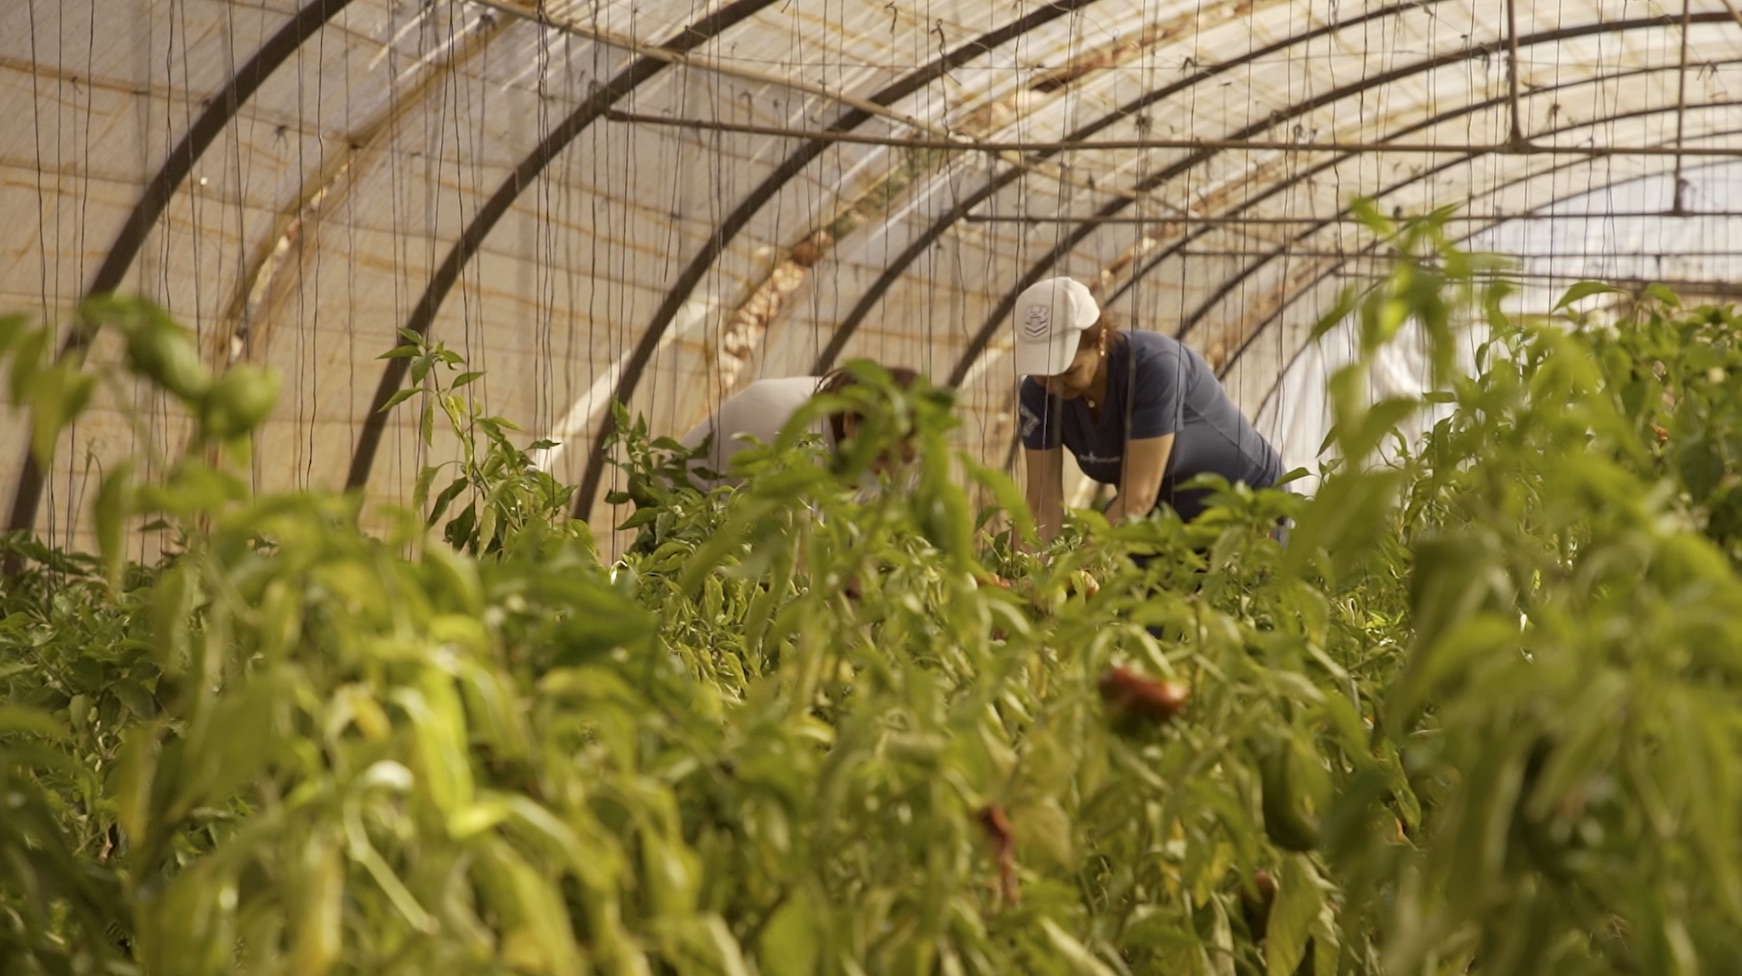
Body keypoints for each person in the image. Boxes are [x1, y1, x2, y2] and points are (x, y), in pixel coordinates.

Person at [1013, 276, 1282, 544]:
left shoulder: (1154, 368)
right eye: (1041, 373)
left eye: (1068, 372)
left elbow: (1137, 498)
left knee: (1238, 584)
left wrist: (1072, 571)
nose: (1052, 386)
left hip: (1244, 506)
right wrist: (1028, 574)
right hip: (1158, 522)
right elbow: (1041, 505)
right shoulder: (1037, 395)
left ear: (1100, 342)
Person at [678, 365, 921, 489]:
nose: (889, 473)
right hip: (683, 509)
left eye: (906, 457)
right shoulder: (791, 431)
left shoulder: (901, 457)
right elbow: (797, 560)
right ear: (849, 420)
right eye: (881, 456)